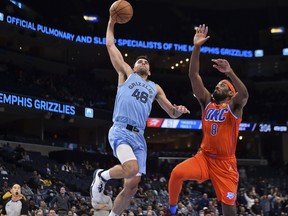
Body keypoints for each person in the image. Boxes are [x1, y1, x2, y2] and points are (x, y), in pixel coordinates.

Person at [90, 14, 190, 216]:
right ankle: (101, 176)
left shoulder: (155, 87)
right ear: (134, 67)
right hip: (120, 130)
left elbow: (170, 112)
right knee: (130, 167)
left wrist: (178, 111)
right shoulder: (127, 73)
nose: (142, 61)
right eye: (139, 61)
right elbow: (110, 45)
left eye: (145, 61)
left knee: (132, 187)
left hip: (139, 137)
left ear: (150, 70)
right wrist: (111, 22)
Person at [168, 24, 249, 216]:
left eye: (222, 84)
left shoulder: (234, 107)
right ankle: (171, 210)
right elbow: (193, 75)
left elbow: (244, 95)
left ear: (230, 93)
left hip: (225, 163)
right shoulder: (207, 102)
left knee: (229, 208)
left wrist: (229, 72)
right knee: (177, 173)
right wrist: (196, 47)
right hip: (203, 157)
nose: (217, 85)